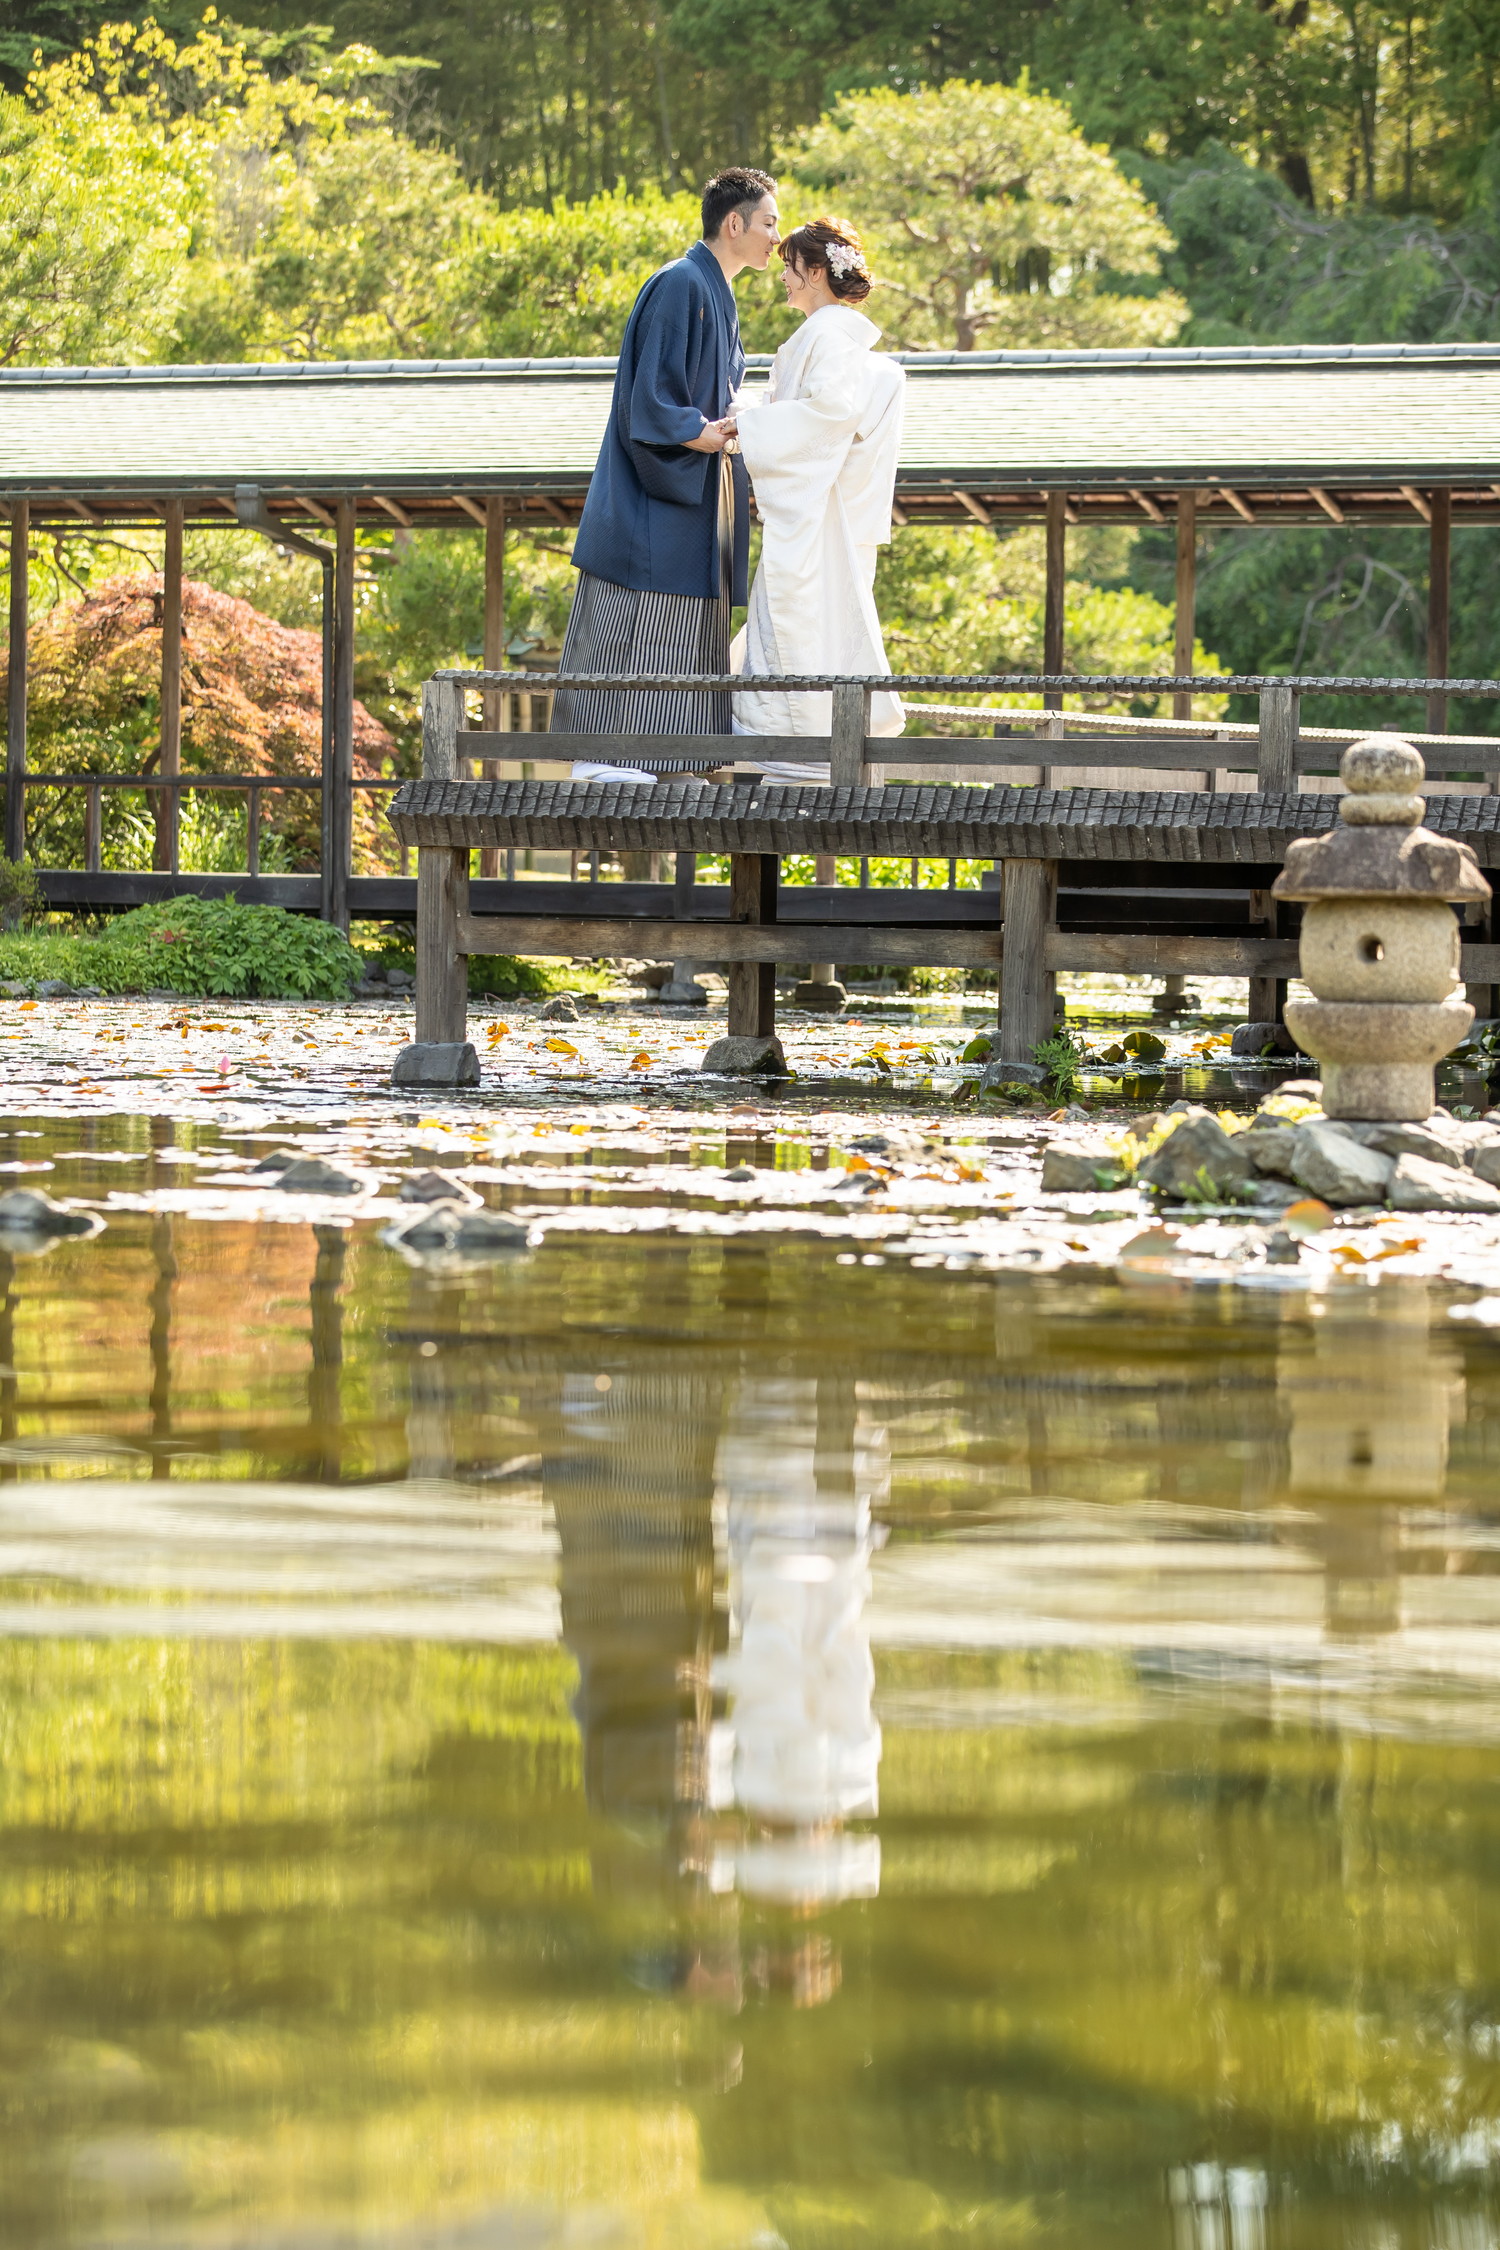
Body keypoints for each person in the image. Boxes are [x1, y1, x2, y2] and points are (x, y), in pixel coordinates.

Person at [551, 166, 780, 774]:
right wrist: (696, 431)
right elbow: (649, 398)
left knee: (679, 625)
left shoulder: (714, 292)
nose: (775, 239)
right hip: (653, 492)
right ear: (734, 223)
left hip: (697, 486)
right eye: (768, 223)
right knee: (635, 617)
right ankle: (605, 755)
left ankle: (670, 755)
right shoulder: (680, 285)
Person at [730, 217, 906, 767]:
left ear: (813, 271)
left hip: (812, 517)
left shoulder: (828, 337)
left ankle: (790, 748)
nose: (782, 276)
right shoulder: (830, 336)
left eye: (789, 267)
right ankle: (790, 744)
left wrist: (751, 428)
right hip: (817, 512)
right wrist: (754, 420)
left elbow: (831, 412)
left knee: (798, 623)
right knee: (808, 625)